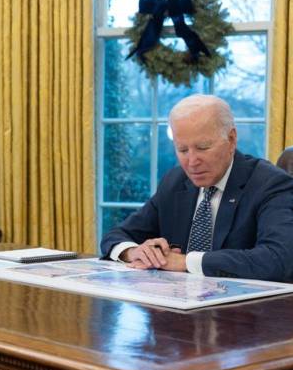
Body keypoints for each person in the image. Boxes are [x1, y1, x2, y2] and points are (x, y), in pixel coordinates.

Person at [100, 94, 293, 282]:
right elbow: (116, 235)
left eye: (202, 148)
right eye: (182, 150)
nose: (192, 162)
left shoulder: (271, 184)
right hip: (175, 306)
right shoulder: (174, 182)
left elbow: (279, 258)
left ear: (231, 139)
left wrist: (186, 262)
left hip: (247, 311)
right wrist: (134, 252)